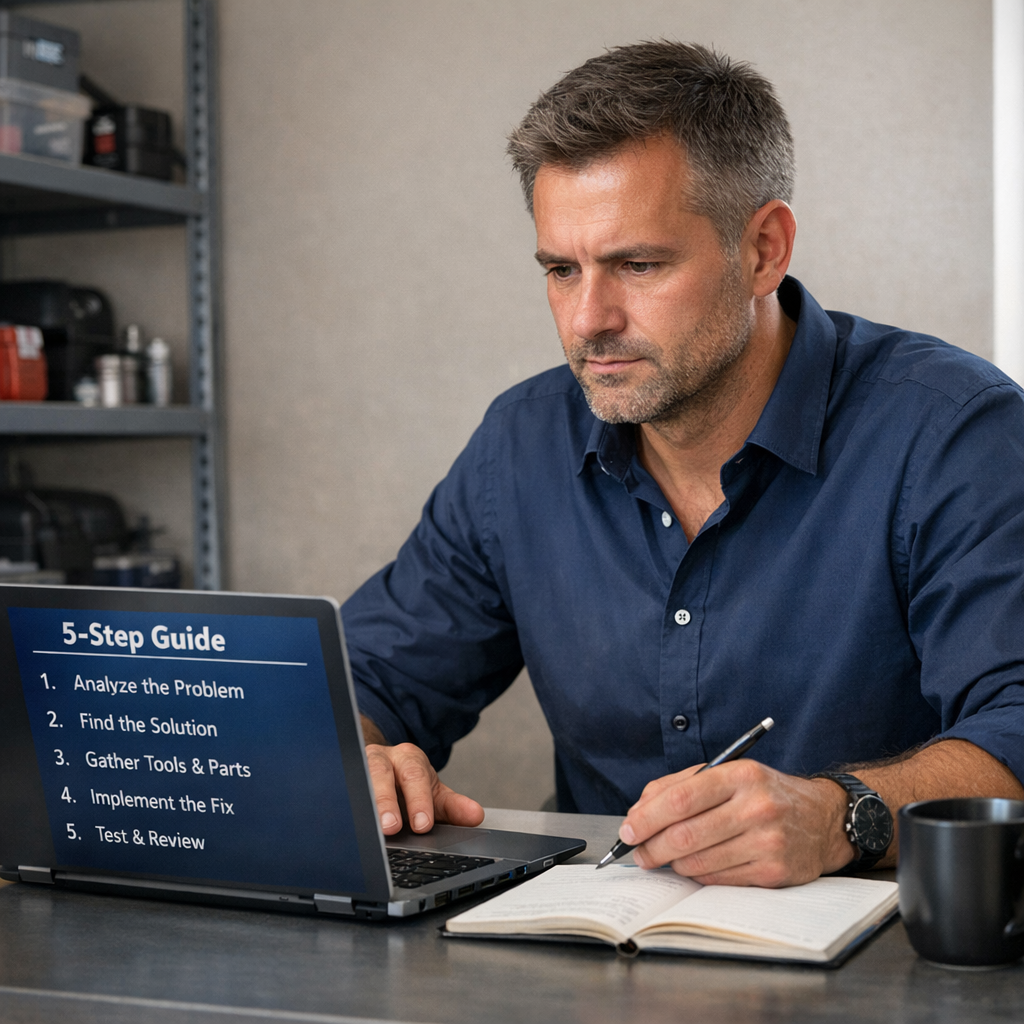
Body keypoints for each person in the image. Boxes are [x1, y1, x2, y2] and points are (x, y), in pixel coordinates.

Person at [343, 41, 1024, 887]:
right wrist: (358, 758)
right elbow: (366, 679)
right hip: (601, 955)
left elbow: (1019, 720)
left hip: (893, 959)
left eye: (639, 265)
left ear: (764, 249)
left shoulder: (955, 432)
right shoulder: (520, 445)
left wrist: (842, 813)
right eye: (561, 269)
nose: (588, 319)